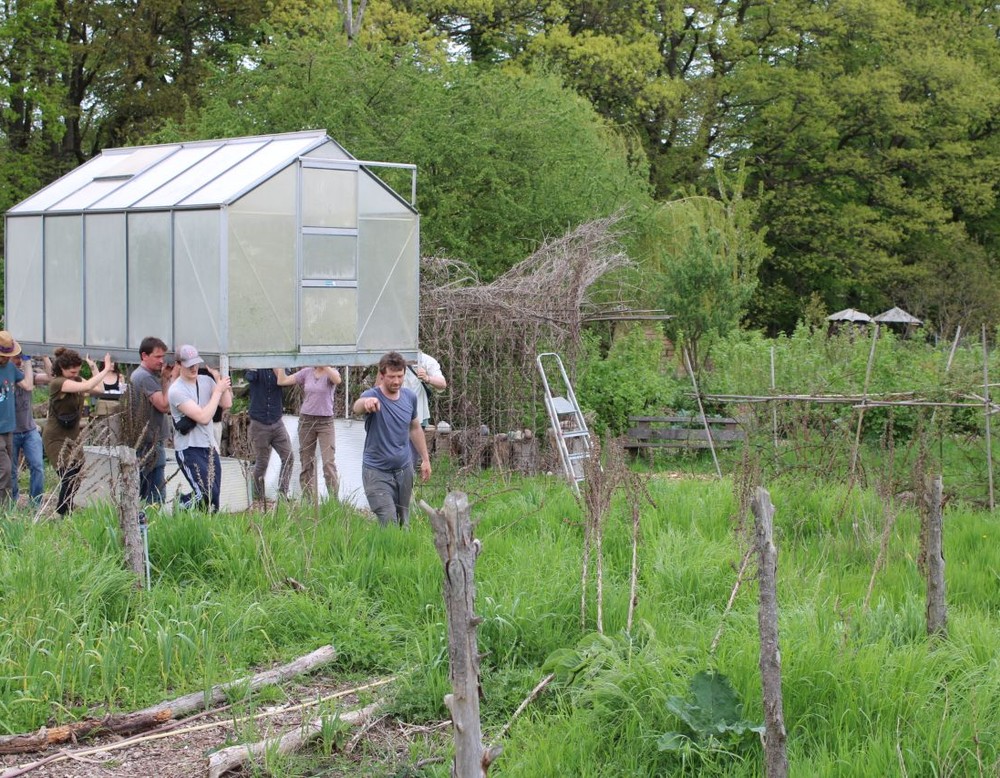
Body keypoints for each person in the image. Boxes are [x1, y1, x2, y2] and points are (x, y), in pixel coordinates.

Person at [353, 352, 431, 528]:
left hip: (404, 469)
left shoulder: (409, 397)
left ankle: (402, 546)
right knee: (389, 520)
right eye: (391, 377)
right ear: (381, 376)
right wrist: (366, 403)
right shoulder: (372, 396)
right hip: (376, 471)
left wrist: (425, 459)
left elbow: (415, 428)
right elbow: (357, 407)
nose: (396, 381)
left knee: (404, 521)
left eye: (400, 376)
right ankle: (388, 544)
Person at [43, 348, 115, 515]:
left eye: (77, 371)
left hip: (73, 436)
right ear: (62, 368)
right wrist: (106, 368)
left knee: (77, 474)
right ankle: (62, 512)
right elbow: (88, 386)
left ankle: (66, 509)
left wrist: (93, 367)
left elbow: (99, 389)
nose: (74, 374)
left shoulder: (75, 380)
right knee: (68, 474)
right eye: (71, 371)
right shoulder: (59, 383)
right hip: (56, 437)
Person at [167, 345, 232, 513]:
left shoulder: (206, 381)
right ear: (178, 364)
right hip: (189, 448)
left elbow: (226, 403)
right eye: (189, 365)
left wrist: (218, 379)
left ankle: (205, 524)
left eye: (196, 363)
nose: (193, 368)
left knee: (214, 498)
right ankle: (180, 506)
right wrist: (217, 391)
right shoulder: (176, 390)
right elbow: (203, 418)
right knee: (205, 492)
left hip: (208, 446)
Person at [274, 366, 341, 502]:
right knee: (306, 463)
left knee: (328, 463)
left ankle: (334, 501)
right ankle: (308, 501)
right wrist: (281, 363)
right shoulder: (306, 372)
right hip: (306, 421)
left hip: (325, 422)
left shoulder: (331, 372)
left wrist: (325, 365)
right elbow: (282, 381)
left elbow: (337, 380)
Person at [126, 337, 172, 504]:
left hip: (147, 440)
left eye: (163, 357)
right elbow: (164, 405)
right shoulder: (144, 377)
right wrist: (166, 379)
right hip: (149, 442)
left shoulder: (142, 375)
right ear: (144, 356)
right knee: (155, 493)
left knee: (147, 489)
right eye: (157, 356)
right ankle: (151, 518)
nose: (162, 361)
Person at [245, 367, 293, 505]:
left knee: (288, 457)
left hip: (277, 421)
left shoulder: (281, 365)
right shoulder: (256, 364)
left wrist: (275, 365)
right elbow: (250, 377)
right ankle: (258, 497)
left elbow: (284, 380)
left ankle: (282, 495)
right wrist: (259, 364)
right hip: (259, 423)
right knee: (262, 462)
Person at [11, 352, 46, 508]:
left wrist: (45, 356)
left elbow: (51, 377)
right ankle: (12, 504)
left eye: (20, 357)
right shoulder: (5, 375)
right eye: (15, 357)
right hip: (9, 432)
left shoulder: (27, 375)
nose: (19, 361)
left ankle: (35, 505)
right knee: (10, 471)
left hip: (29, 430)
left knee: (38, 466)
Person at [0, 331, 26, 506]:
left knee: (10, 471)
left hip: (8, 427)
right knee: (5, 468)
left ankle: (6, 509)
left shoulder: (10, 368)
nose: (5, 359)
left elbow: (27, 384)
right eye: (3, 356)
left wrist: (28, 362)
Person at [402, 351, 447, 428]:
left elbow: (442, 384)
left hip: (418, 414)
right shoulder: (388, 359)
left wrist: (427, 378)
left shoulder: (425, 360)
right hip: (393, 413)